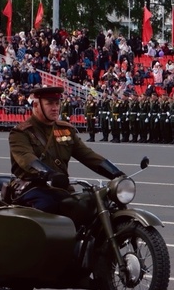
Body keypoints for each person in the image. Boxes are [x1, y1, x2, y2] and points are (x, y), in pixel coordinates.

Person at [8, 86, 123, 223]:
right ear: (36, 105)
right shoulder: (21, 132)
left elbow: (87, 155)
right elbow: (26, 158)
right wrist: (49, 174)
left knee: (90, 207)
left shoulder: (65, 130)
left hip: (61, 188)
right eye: (49, 103)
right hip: (33, 188)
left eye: (57, 103)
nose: (55, 107)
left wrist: (116, 173)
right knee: (48, 209)